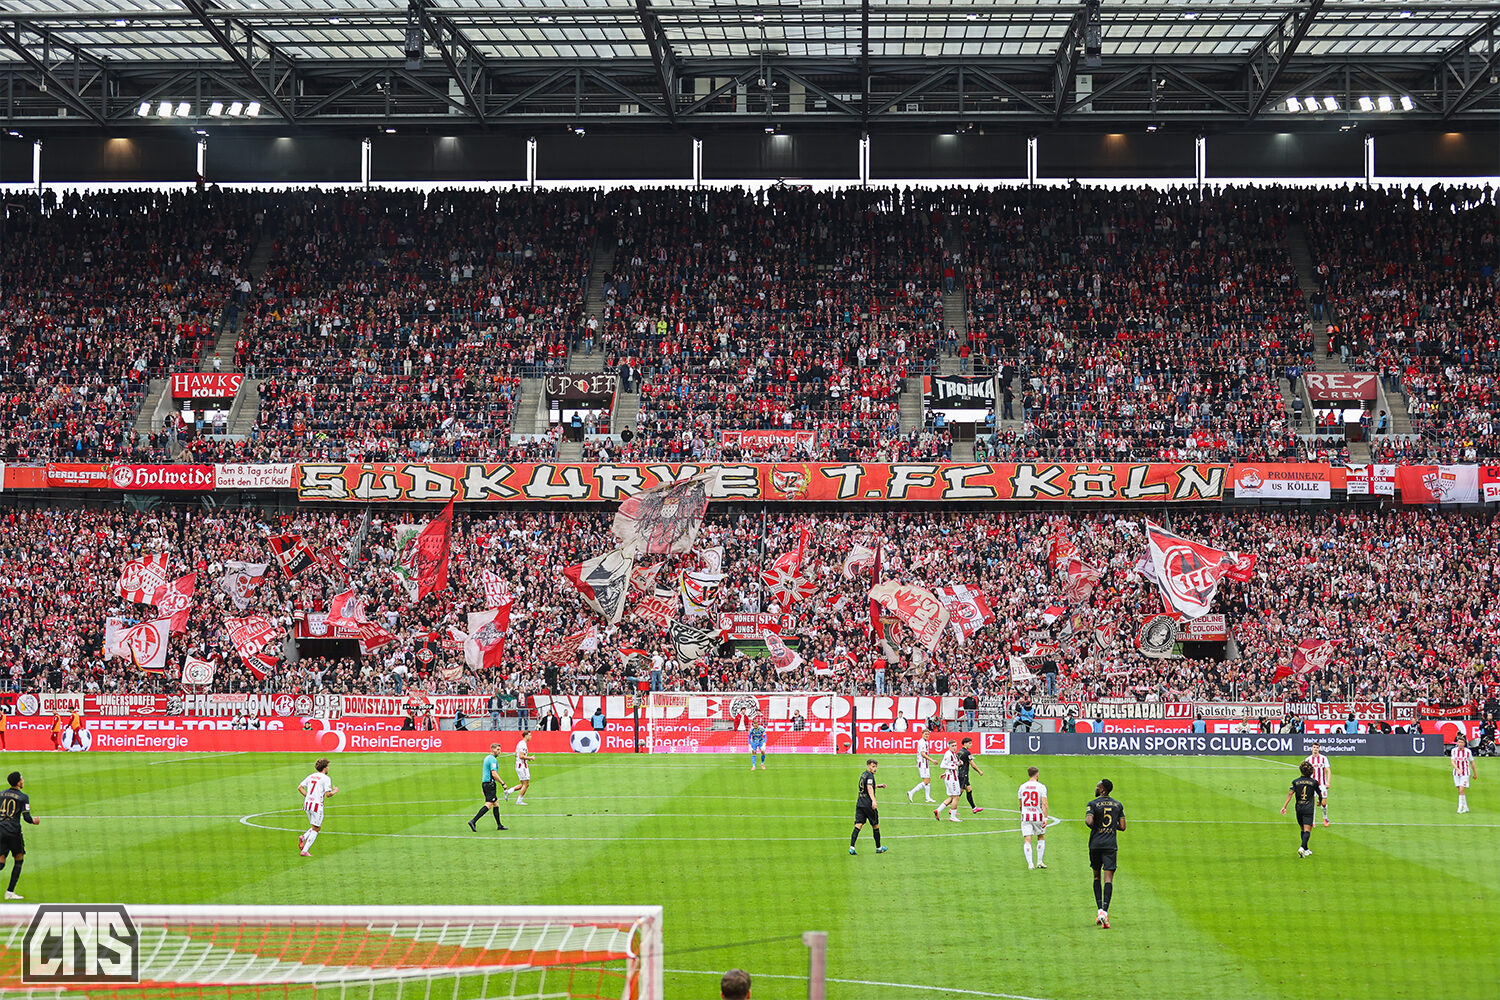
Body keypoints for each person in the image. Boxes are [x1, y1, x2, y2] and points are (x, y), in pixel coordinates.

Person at [1085, 778, 1126, 928]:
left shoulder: (1092, 804)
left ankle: (1099, 910)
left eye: (1097, 786)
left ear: (1102, 789)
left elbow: (1089, 821)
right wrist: (1111, 824)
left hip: (1095, 844)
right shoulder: (1118, 805)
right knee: (1108, 879)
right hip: (1110, 845)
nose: (1096, 788)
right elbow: (1122, 826)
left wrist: (1097, 824)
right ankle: (1105, 913)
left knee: (1096, 876)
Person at [0, 772, 38, 900]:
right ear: (18, 782)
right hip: (13, 832)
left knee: (1, 862)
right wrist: (34, 821)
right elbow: (27, 818)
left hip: (0, 830)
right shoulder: (23, 797)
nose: (23, 780)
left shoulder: (1, 794)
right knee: (19, 858)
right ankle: (9, 892)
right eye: (22, 778)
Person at [1281, 760, 1324, 858]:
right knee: (1308, 830)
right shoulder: (1314, 782)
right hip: (1308, 808)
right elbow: (1320, 794)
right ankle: (1301, 847)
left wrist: (1284, 806)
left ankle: (1306, 849)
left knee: (1302, 829)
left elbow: (1290, 794)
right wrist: (1320, 801)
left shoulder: (1295, 781)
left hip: (1299, 808)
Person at [297, 758, 338, 858]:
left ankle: (303, 837)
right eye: (328, 766)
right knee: (316, 828)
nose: (328, 768)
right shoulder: (326, 778)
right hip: (317, 805)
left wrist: (308, 797)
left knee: (315, 826)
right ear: (324, 767)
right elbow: (328, 794)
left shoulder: (311, 776)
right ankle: (305, 851)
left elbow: (300, 787)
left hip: (307, 804)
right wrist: (335, 791)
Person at [849, 758, 888, 855]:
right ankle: (879, 848)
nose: (875, 769)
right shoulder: (870, 776)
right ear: (868, 766)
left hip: (860, 803)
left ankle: (852, 847)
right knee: (875, 825)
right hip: (868, 804)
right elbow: (869, 787)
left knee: (858, 825)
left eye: (876, 767)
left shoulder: (864, 774)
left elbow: (866, 786)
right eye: (873, 766)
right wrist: (874, 801)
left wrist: (878, 786)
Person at [469, 743, 509, 832]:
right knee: (489, 804)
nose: (499, 751)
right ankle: (473, 821)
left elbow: (485, 773)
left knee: (496, 803)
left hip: (486, 784)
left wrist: (483, 788)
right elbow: (494, 773)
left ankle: (499, 825)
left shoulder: (487, 758)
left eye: (500, 749)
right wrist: (503, 783)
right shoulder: (492, 760)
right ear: (492, 749)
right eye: (498, 749)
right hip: (490, 784)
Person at [1018, 766, 1048, 869]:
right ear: (1037, 774)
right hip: (1038, 816)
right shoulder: (1041, 787)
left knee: (1027, 839)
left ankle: (1030, 863)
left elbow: (1021, 804)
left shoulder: (1022, 787)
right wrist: (1046, 817)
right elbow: (1044, 803)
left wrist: (1023, 813)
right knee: (1040, 836)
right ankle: (1039, 861)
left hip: (1026, 816)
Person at [934, 741, 963, 823]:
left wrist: (958, 763)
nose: (954, 747)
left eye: (955, 745)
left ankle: (938, 810)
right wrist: (953, 767)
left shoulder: (953, 754)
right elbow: (942, 765)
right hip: (952, 779)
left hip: (950, 777)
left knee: (951, 798)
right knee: (956, 797)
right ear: (949, 746)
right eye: (952, 746)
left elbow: (951, 765)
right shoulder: (948, 754)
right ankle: (953, 817)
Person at [1304, 742, 1331, 826]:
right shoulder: (1308, 760)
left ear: (1319, 749)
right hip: (1312, 784)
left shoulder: (1323, 758)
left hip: (1322, 784)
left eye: (1317, 748)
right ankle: (1313, 821)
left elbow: (1328, 771)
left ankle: (1325, 817)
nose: (1315, 749)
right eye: (1314, 747)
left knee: (1323, 803)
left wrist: (1328, 782)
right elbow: (1305, 773)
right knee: (1312, 803)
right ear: (1311, 748)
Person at [907, 725, 936, 804]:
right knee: (926, 781)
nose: (927, 736)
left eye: (928, 734)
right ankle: (911, 792)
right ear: (922, 734)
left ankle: (927, 798)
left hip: (925, 763)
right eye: (925, 734)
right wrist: (932, 760)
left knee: (928, 780)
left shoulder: (925, 742)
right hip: (922, 763)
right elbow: (923, 754)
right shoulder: (922, 742)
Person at [956, 737, 984, 813]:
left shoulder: (959, 752)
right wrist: (979, 771)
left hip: (960, 773)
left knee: (969, 790)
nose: (971, 745)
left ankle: (974, 808)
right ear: (965, 743)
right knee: (959, 793)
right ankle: (952, 809)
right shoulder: (967, 753)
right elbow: (972, 764)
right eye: (969, 743)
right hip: (963, 775)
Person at [1452, 734, 1474, 814]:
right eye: (1459, 742)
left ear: (1464, 743)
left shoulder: (1468, 752)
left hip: (1465, 773)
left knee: (1462, 789)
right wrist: (1457, 769)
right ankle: (1466, 807)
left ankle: (1460, 807)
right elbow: (1452, 761)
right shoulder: (1454, 751)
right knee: (1460, 791)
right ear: (1457, 743)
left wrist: (1475, 773)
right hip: (1456, 773)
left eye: (1462, 742)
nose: (1460, 744)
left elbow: (1472, 762)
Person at [511, 732, 532, 805]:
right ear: (526, 736)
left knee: (524, 784)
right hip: (522, 766)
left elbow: (516, 754)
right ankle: (519, 800)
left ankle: (508, 791)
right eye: (530, 735)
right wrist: (530, 758)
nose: (531, 737)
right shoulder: (523, 744)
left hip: (519, 765)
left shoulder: (520, 743)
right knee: (526, 784)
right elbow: (521, 756)